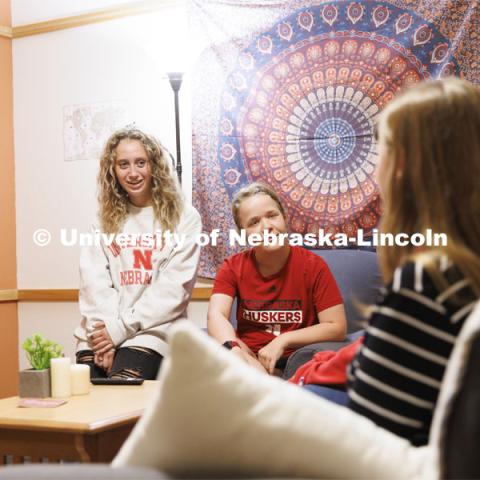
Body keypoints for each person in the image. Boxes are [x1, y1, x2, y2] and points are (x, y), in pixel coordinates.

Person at [338, 77, 480, 445]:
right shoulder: (462, 271)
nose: (375, 168)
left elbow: (369, 439)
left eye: (380, 149)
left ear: (402, 164)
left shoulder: (426, 283)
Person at [74, 127, 202, 380]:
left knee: (122, 388)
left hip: (154, 331)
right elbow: (94, 283)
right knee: (84, 389)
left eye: (140, 162)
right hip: (100, 332)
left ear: (154, 165)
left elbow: (172, 291)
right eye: (123, 164)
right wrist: (107, 333)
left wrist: (119, 330)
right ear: (113, 170)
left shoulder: (185, 218)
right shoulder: (102, 220)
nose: (133, 173)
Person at [207, 182, 347, 375]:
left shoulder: (314, 265)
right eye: (254, 222)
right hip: (249, 359)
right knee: (217, 345)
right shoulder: (232, 266)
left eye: (272, 216)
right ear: (243, 233)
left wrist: (283, 340)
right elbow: (216, 316)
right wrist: (234, 349)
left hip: (299, 359)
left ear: (285, 218)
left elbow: (337, 327)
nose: (267, 227)